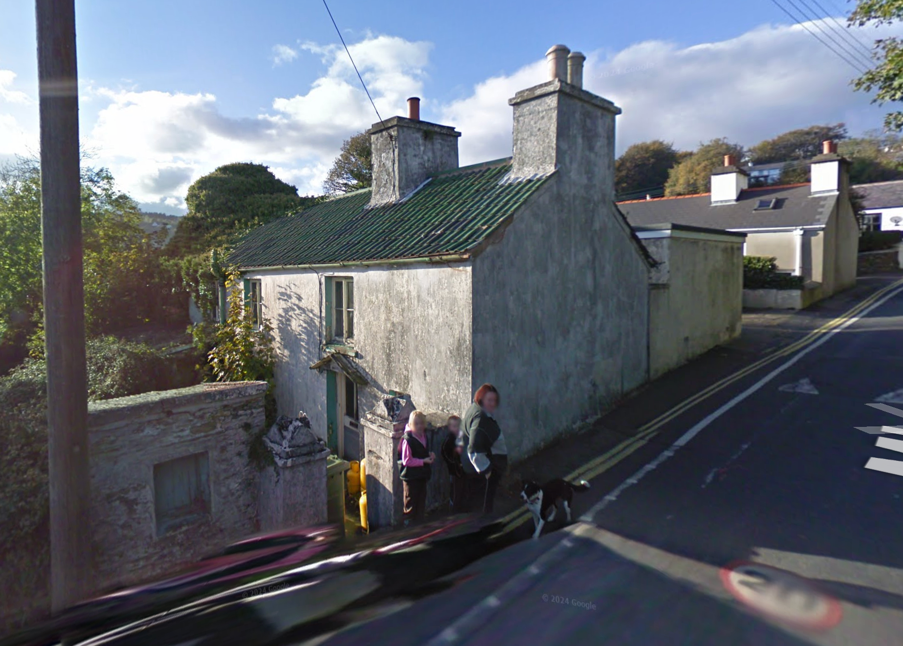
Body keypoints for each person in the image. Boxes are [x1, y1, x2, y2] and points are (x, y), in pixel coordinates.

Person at [460, 384, 508, 513]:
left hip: (471, 464)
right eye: (489, 400)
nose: (493, 404)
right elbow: (474, 449)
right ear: (481, 399)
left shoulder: (475, 408)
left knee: (475, 497)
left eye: (494, 400)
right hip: (481, 468)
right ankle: (484, 520)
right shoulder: (480, 419)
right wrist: (487, 470)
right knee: (482, 501)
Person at [399, 410, 435, 525]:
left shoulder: (424, 436)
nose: (419, 426)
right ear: (410, 425)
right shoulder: (408, 440)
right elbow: (406, 460)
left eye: (421, 423)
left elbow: (423, 451)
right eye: (416, 424)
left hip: (421, 475)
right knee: (410, 503)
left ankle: (420, 525)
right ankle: (408, 528)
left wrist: (430, 454)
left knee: (421, 500)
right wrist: (423, 461)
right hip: (411, 477)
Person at [440, 415, 466, 513]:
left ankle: (461, 506)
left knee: (461, 487)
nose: (457, 428)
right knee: (455, 488)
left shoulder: (460, 437)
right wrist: (452, 462)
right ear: (449, 427)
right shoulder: (449, 439)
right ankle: (454, 508)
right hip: (454, 469)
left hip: (461, 467)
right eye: (454, 426)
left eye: (458, 426)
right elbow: (444, 452)